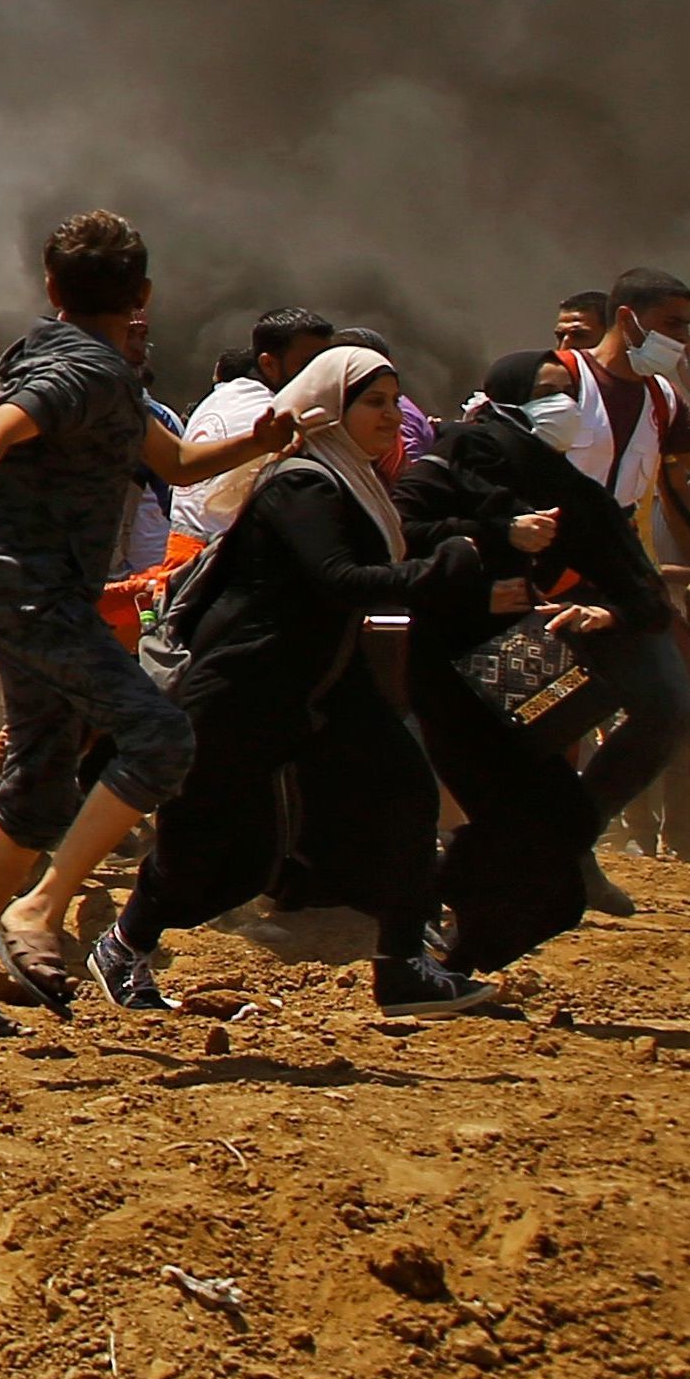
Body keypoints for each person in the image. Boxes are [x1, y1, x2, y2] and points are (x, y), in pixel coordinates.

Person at [0, 214, 305, 1036]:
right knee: (159, 736)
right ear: (142, 294)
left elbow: (173, 462)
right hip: (35, 593)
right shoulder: (85, 371)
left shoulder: (76, 363)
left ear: (50, 288)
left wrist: (256, 444)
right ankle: (38, 908)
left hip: (31, 591)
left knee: (41, 784)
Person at [100, 341, 539, 1016]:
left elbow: (391, 556)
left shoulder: (353, 483)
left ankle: (402, 967)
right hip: (245, 688)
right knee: (225, 855)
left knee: (407, 793)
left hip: (323, 683)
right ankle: (125, 943)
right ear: (330, 409)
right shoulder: (302, 483)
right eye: (373, 402)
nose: (390, 415)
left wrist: (479, 553)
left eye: (394, 402)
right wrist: (450, 567)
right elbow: (341, 579)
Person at [401, 348, 655, 973]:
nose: (563, 405)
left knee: (562, 834)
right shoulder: (457, 456)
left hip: (522, 663)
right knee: (514, 816)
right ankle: (415, 926)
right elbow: (400, 534)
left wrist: (605, 613)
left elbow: (637, 584)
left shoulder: (567, 486)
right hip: (448, 664)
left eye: (569, 391)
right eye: (547, 390)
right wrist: (495, 536)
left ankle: (450, 945)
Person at [554, 271, 690, 890]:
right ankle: (562, 845)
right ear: (630, 320)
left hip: (628, 577)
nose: (683, 339)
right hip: (554, 573)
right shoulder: (558, 382)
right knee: (558, 713)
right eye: (673, 325)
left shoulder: (663, 400)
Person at [171, 309, 335, 546]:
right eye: (308, 365)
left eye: (325, 366)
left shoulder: (223, 394)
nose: (319, 377)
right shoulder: (269, 417)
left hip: (189, 544)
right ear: (268, 364)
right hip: (212, 554)